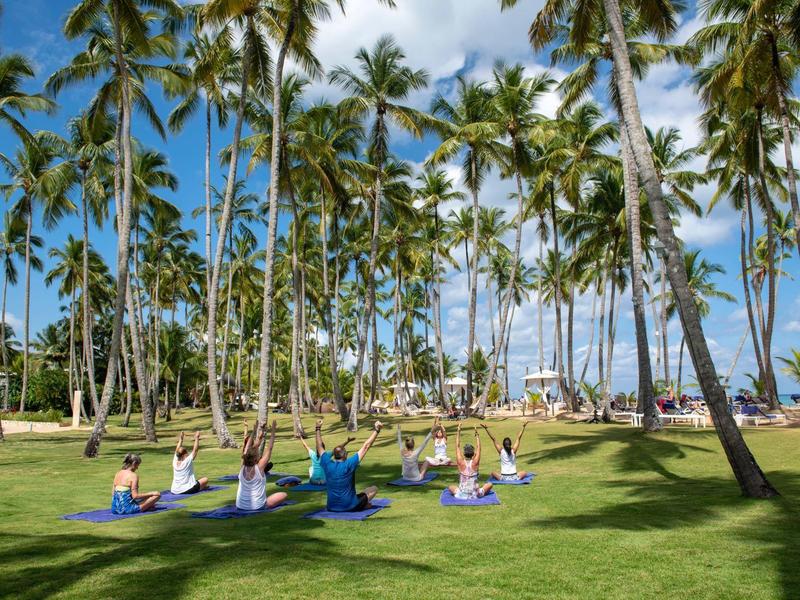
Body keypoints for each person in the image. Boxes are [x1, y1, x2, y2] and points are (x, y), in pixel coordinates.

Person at [317, 418, 382, 512]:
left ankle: (363, 504)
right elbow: (366, 446)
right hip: (351, 506)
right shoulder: (349, 464)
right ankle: (363, 505)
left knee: (360, 494)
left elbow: (319, 447)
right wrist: (377, 430)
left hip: (331, 507)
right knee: (373, 488)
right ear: (345, 455)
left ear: (334, 456)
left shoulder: (328, 464)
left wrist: (317, 428)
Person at [236, 420, 288, 511]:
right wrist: (273, 430)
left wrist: (254, 430)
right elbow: (269, 448)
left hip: (240, 506)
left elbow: (247, 448)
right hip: (257, 507)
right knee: (284, 495)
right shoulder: (259, 468)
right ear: (256, 458)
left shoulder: (242, 466)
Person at [447, 423, 493, 499]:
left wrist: (458, 430)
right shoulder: (475, 462)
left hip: (462, 495)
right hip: (475, 495)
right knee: (490, 484)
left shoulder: (461, 462)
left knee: (450, 487)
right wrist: (477, 434)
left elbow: (457, 446)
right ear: (473, 454)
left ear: (464, 453)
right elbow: (479, 447)